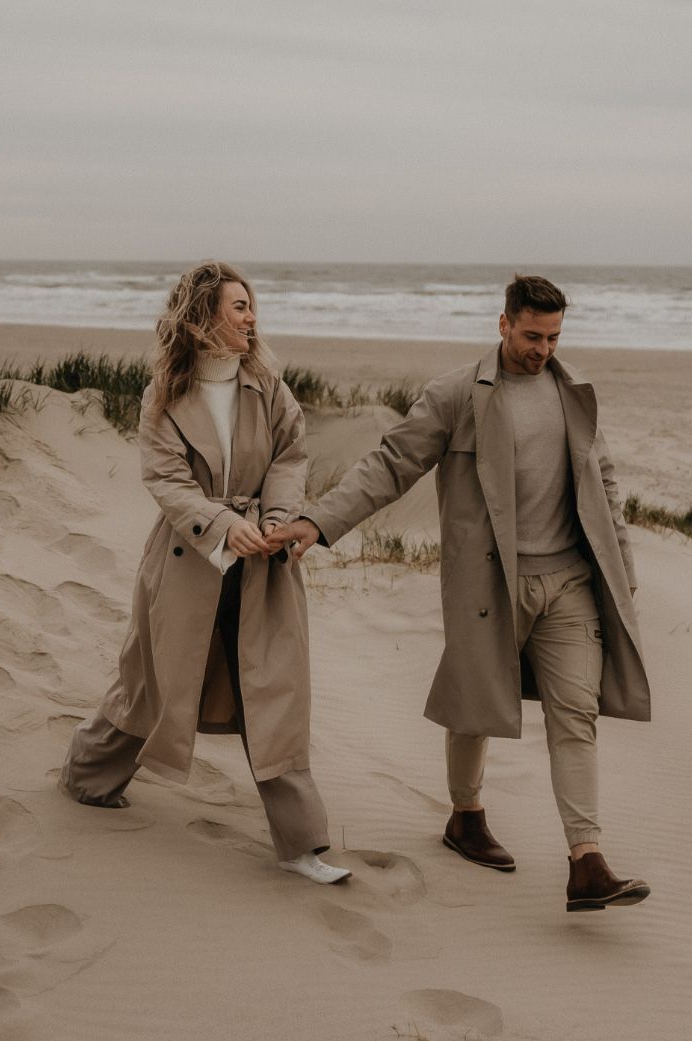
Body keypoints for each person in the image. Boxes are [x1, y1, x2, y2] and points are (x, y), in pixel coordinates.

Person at [269, 274, 652, 911]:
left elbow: (602, 479)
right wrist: (319, 521)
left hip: (570, 582)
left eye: (554, 337)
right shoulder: (457, 394)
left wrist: (622, 565)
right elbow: (390, 464)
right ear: (503, 324)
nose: (543, 349)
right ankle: (465, 816)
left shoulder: (574, 390)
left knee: (575, 715)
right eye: (532, 335)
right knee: (477, 701)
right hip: (490, 582)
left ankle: (586, 861)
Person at [61, 261, 349, 885]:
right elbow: (165, 479)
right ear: (203, 316)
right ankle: (87, 775)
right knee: (153, 683)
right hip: (187, 563)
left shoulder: (268, 383)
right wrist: (221, 526)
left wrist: (275, 518)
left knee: (272, 691)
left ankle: (303, 845)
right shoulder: (164, 392)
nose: (252, 317)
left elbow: (290, 454)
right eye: (238, 306)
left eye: (252, 306)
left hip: (263, 565)